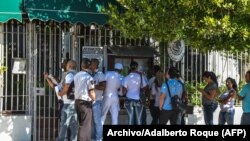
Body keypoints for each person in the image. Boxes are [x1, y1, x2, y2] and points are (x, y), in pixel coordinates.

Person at [55, 60, 78, 141]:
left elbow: (67, 86)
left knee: (64, 124)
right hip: (74, 102)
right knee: (73, 125)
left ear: (69, 66)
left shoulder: (69, 75)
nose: (66, 67)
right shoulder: (77, 75)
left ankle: (60, 139)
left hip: (68, 103)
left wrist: (60, 93)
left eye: (67, 65)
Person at [74, 58, 96, 141]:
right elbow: (91, 91)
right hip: (85, 103)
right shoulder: (89, 77)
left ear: (81, 66)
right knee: (85, 125)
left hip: (77, 102)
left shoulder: (76, 75)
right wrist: (94, 99)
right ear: (89, 66)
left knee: (81, 123)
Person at [122, 61, 147, 125]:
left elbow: (123, 92)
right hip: (138, 99)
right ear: (137, 67)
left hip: (129, 99)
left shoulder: (126, 77)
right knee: (139, 119)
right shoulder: (140, 77)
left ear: (130, 67)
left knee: (131, 118)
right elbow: (145, 87)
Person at [90, 58, 106, 141]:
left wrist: (93, 86)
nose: (90, 65)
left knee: (97, 121)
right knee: (91, 122)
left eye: (91, 64)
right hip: (89, 101)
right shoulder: (89, 74)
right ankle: (93, 138)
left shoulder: (100, 74)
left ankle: (99, 138)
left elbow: (103, 87)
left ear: (96, 65)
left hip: (97, 101)